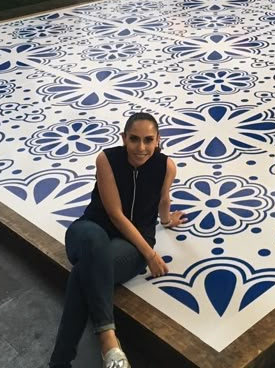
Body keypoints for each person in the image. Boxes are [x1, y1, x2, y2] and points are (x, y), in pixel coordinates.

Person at [49, 112, 186, 368]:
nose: (141, 147)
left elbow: (163, 199)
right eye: (134, 139)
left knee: (84, 273)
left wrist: (167, 222)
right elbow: (115, 214)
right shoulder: (107, 159)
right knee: (95, 244)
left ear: (158, 140)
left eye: (148, 140)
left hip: (130, 248)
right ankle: (108, 340)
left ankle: (59, 362)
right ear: (123, 138)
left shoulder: (166, 165)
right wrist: (151, 255)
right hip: (90, 230)